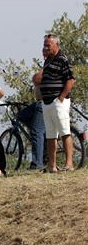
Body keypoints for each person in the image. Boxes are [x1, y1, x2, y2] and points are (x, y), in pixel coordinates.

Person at [40, 33, 76, 172]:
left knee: (65, 132)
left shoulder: (62, 59)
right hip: (47, 102)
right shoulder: (48, 60)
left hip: (58, 101)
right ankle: (52, 165)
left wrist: (61, 97)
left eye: (48, 45)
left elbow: (70, 79)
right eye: (44, 45)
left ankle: (69, 164)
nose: (46, 47)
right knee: (50, 135)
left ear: (56, 45)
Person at [17, 71, 46, 170]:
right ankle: (41, 137)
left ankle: (37, 163)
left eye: (35, 83)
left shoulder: (43, 80)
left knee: (36, 132)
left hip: (42, 104)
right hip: (39, 103)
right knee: (21, 115)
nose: (34, 86)